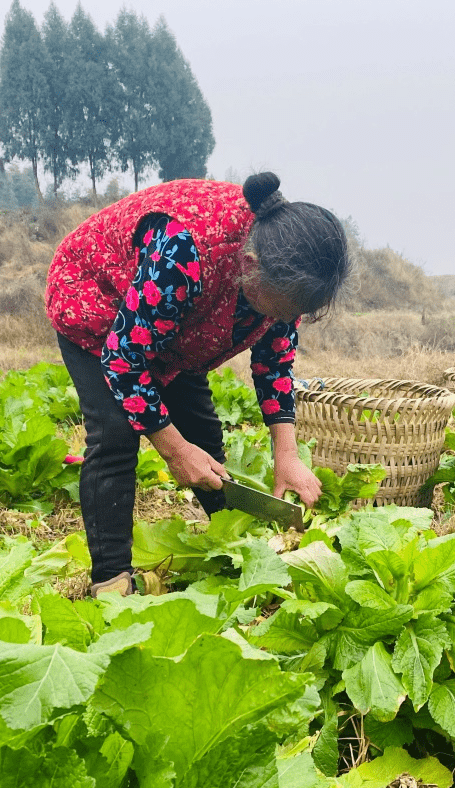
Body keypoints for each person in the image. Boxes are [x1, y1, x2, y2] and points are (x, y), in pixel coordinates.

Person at [47, 172, 351, 597]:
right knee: (116, 433)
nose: (287, 318)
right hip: (98, 298)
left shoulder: (286, 268)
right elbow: (123, 359)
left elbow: (275, 363)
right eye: (284, 308)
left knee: (202, 434)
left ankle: (233, 542)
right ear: (250, 269)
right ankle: (111, 582)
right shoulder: (185, 249)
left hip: (177, 323)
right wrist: (173, 450)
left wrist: (288, 456)